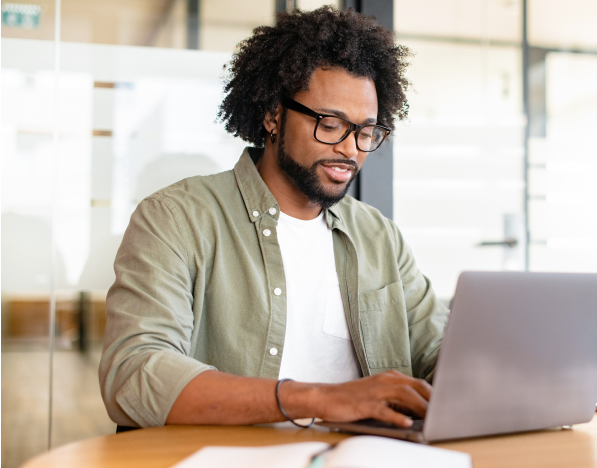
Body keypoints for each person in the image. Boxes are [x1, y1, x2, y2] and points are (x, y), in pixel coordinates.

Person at [99, 7, 448, 430]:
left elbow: (440, 351)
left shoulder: (378, 236)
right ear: (273, 116)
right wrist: (318, 398)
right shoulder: (177, 218)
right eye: (331, 123)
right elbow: (135, 374)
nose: (350, 149)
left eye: (365, 131)